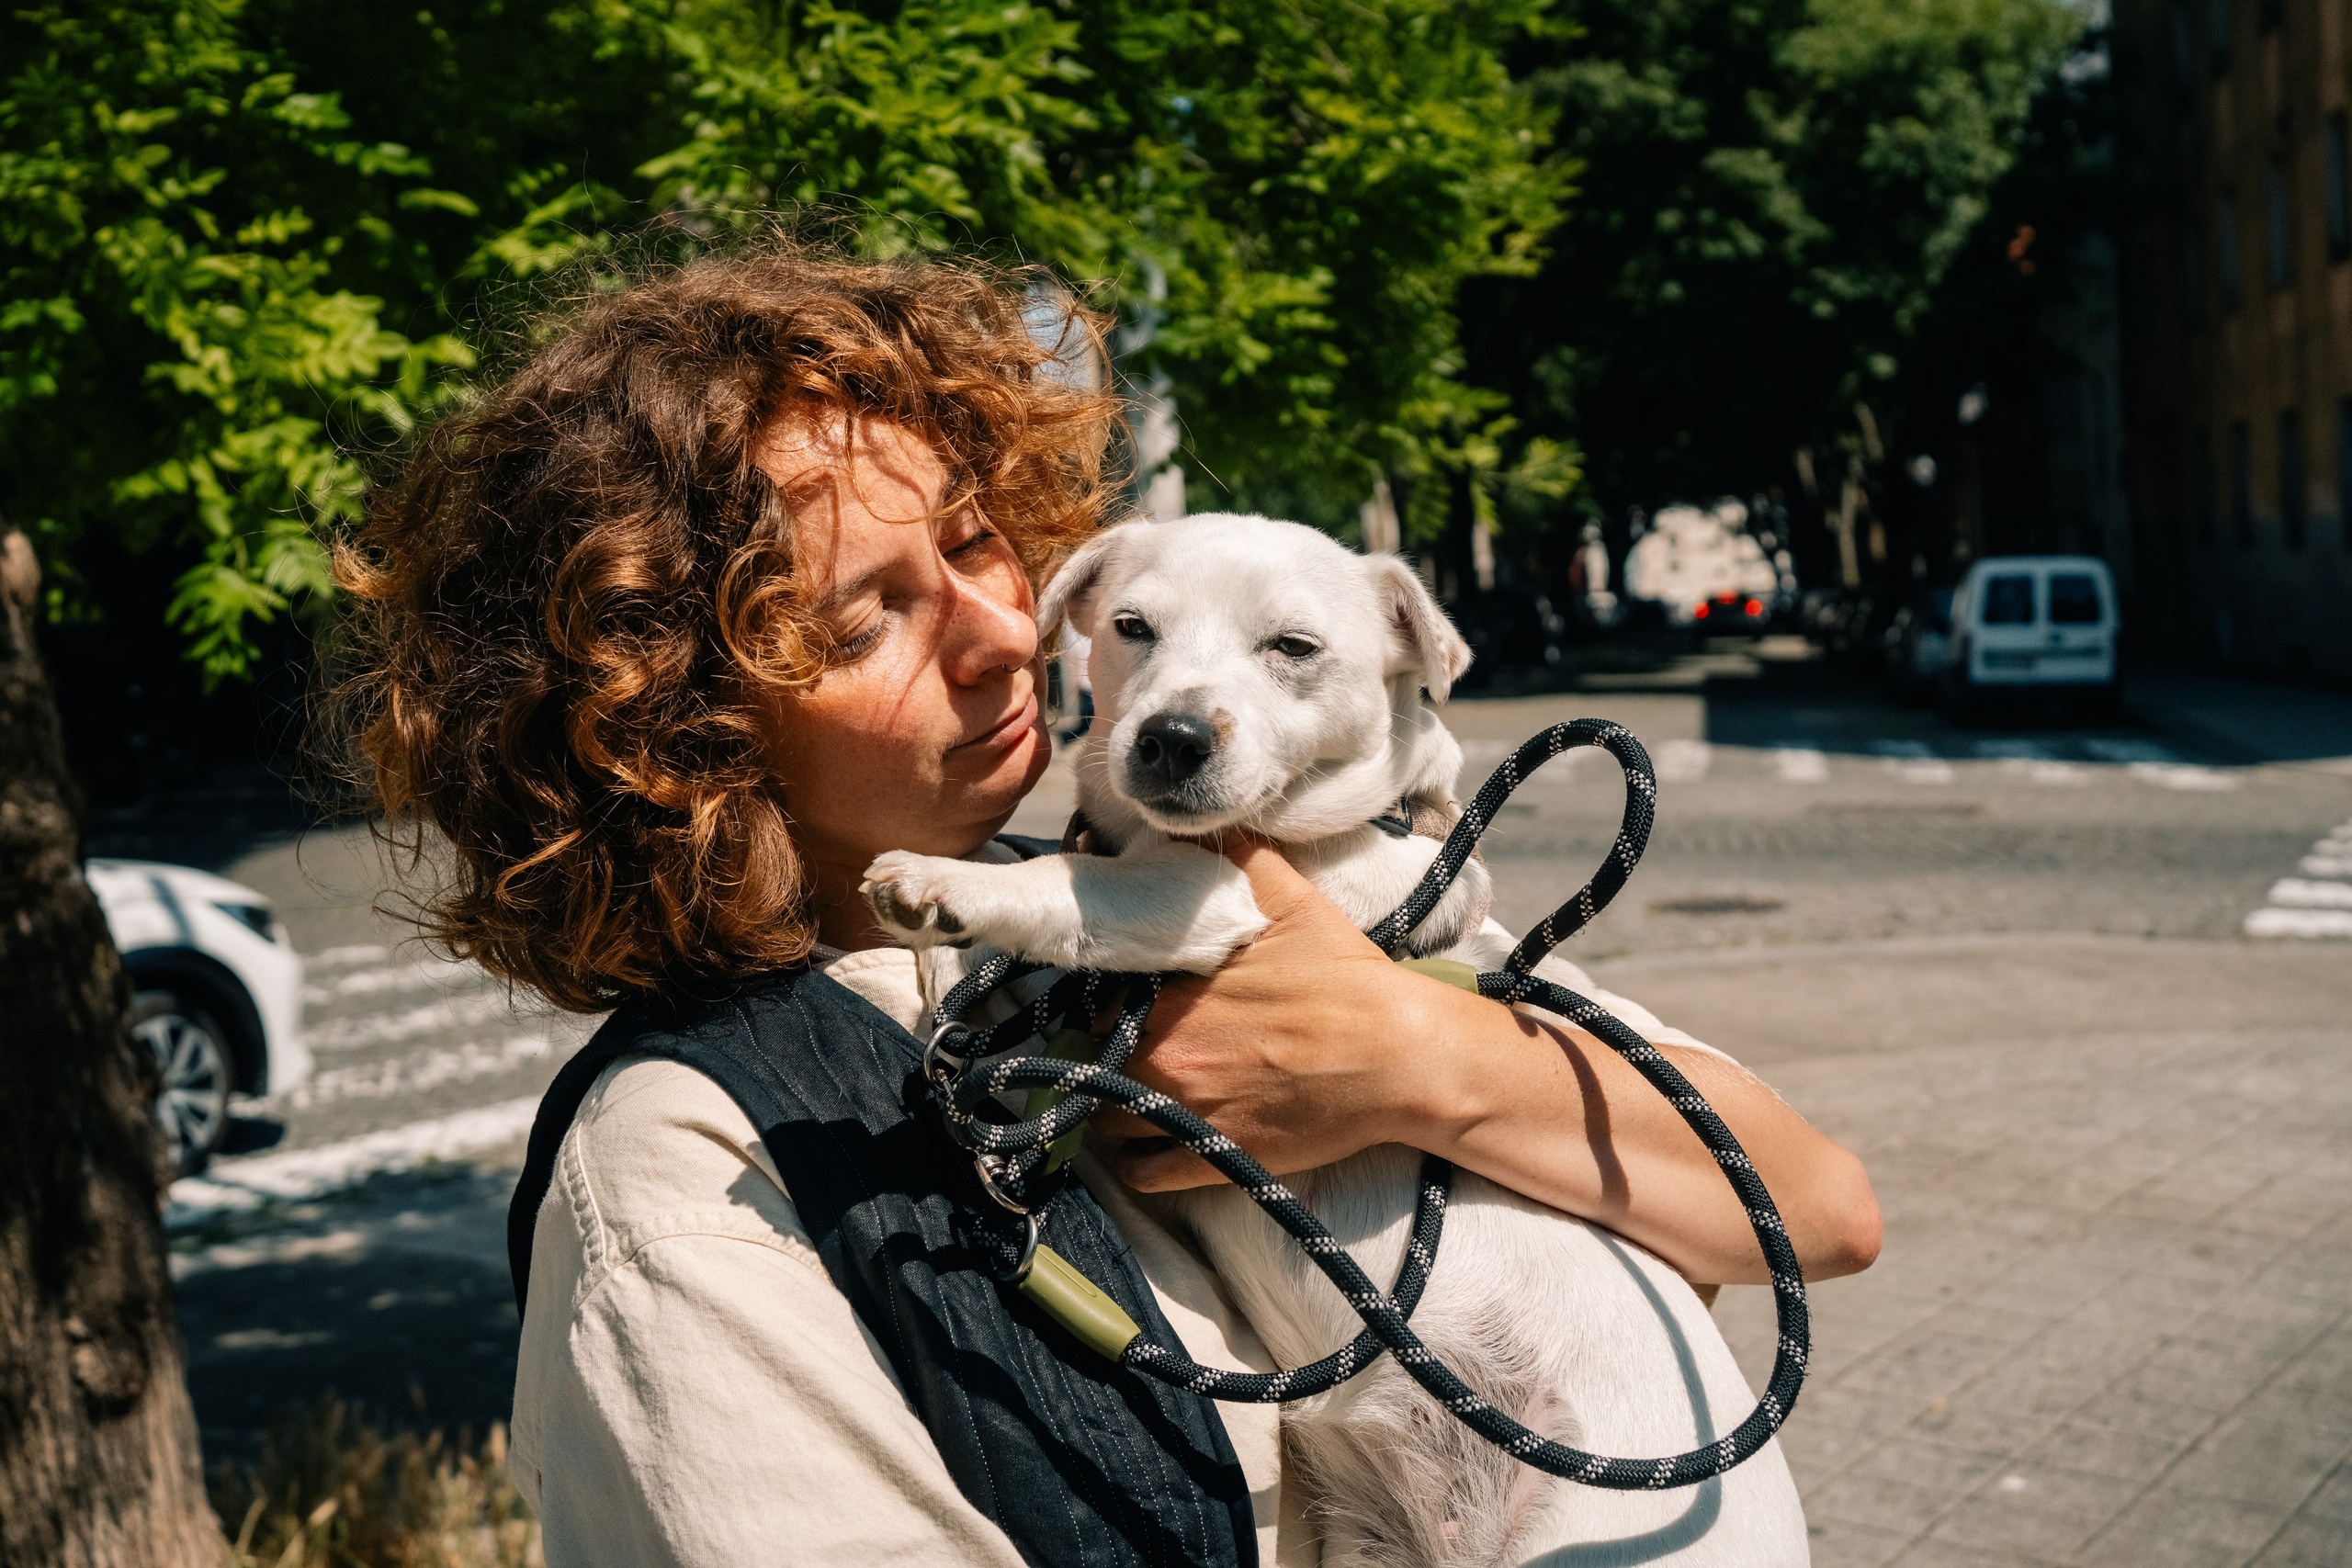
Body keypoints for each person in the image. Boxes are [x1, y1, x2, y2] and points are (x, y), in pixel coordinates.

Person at [333, 243, 1879, 1567]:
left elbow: (1815, 1208)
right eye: (869, 616)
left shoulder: (1176, 900)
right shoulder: (690, 1175)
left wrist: (1419, 1060)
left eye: (976, 542)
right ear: (678, 725)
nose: (1010, 635)